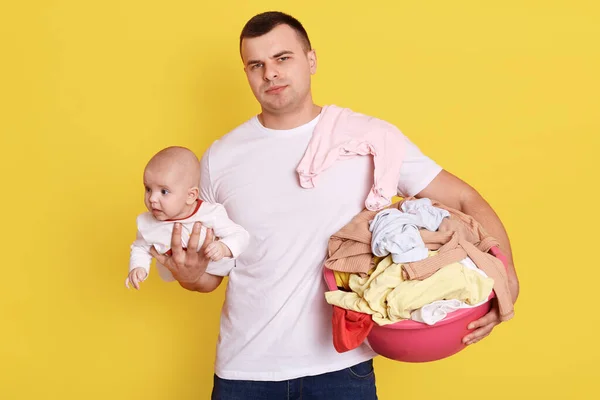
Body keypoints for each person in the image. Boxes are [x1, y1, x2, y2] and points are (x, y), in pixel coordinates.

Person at [150, 11, 520, 399]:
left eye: (282, 58)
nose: (270, 74)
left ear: (311, 61)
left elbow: (465, 199)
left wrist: (506, 281)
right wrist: (190, 275)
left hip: (343, 368)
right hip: (245, 370)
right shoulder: (219, 158)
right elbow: (212, 275)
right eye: (256, 64)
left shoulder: (369, 137)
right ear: (246, 73)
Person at [126, 146, 249, 290]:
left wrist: (224, 247)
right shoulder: (147, 223)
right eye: (148, 189)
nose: (152, 198)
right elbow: (140, 247)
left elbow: (241, 235)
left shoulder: (210, 214)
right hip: (177, 275)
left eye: (164, 191)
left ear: (190, 196)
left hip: (220, 271)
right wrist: (138, 267)